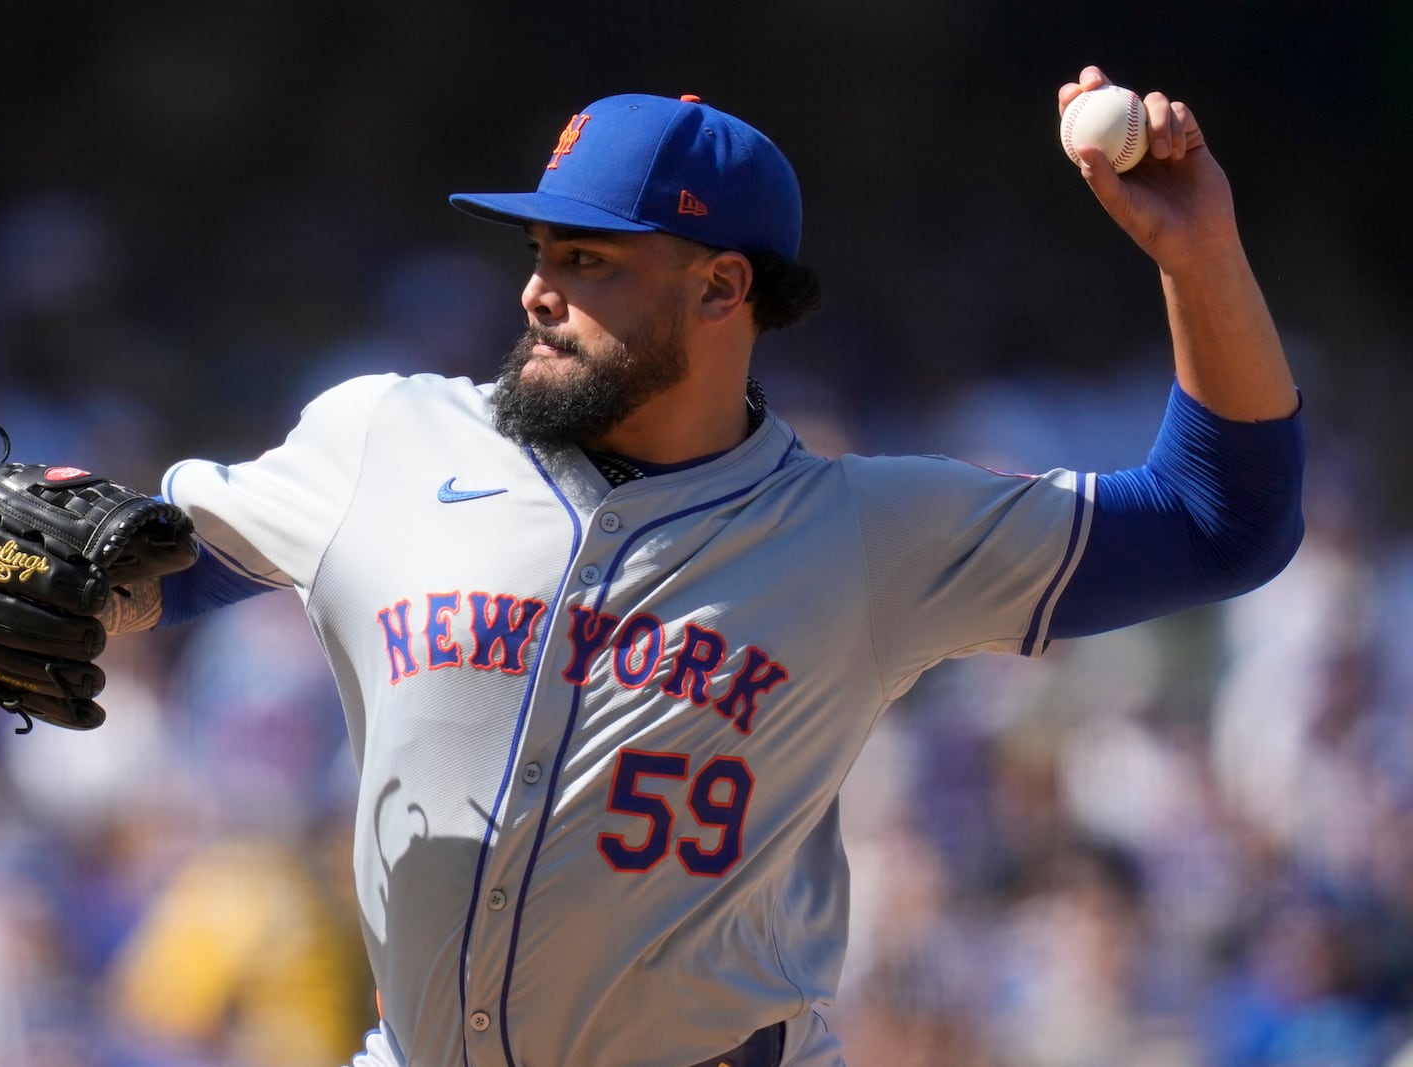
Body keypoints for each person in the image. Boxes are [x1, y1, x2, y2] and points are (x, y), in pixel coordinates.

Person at [102, 65, 1304, 1066]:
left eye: (589, 261)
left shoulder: (864, 535)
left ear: (723, 284)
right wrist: (14, 592)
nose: (537, 290)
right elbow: (159, 561)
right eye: (540, 250)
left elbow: (1218, 519)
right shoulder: (393, 438)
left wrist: (1196, 255)